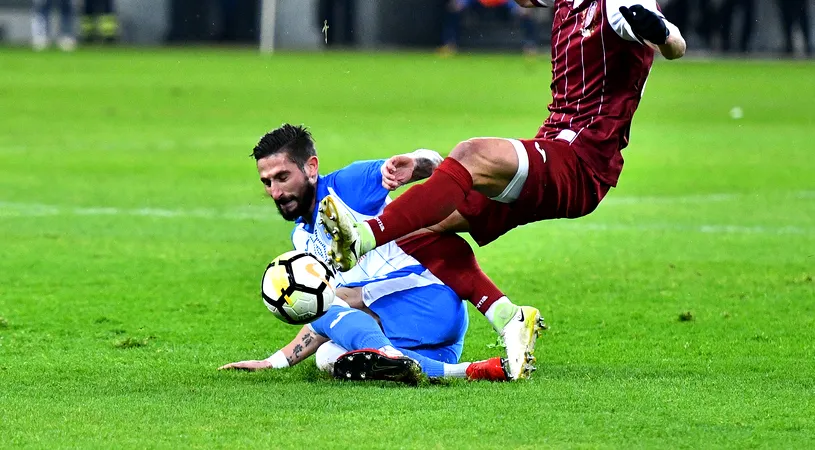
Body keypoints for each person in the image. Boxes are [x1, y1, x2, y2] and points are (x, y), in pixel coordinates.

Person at [319, 0, 686, 329]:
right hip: (552, 147)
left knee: (471, 153)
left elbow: (674, 45)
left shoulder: (617, 5)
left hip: (582, 163)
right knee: (417, 227)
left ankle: (362, 237)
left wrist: (660, 31)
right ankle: (510, 319)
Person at [222, 123, 542, 380]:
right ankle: (469, 370)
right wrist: (274, 362)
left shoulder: (347, 186)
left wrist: (414, 162)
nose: (276, 192)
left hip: (428, 298)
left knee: (332, 302)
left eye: (282, 177)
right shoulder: (302, 238)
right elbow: (330, 310)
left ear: (311, 167)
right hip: (419, 335)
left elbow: (436, 165)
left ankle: (388, 355)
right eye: (267, 182)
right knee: (329, 357)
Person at [220, 286, 510, 383]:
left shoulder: (364, 259)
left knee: (328, 312)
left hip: (423, 308)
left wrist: (274, 361)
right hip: (441, 343)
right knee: (330, 355)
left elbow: (328, 315)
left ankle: (460, 372)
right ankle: (470, 369)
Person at [440, 0, 538, 55]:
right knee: (454, 8)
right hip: (479, 3)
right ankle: (450, 44)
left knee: (525, 13)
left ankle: (530, 46)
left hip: (502, 4)